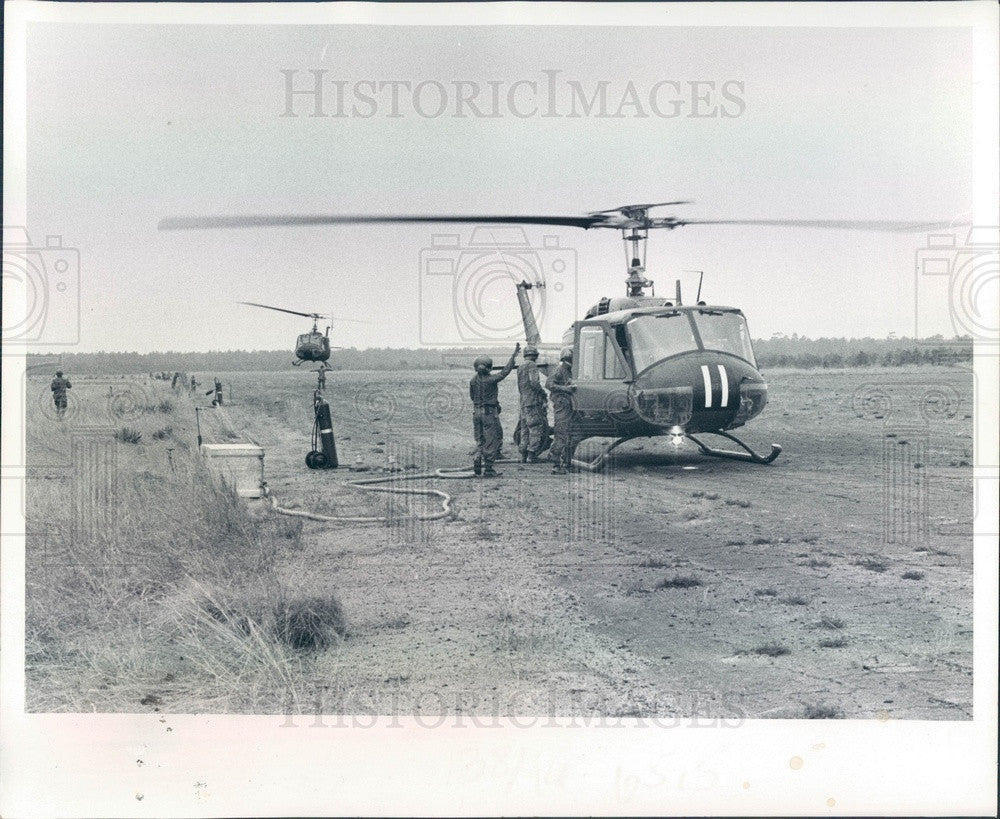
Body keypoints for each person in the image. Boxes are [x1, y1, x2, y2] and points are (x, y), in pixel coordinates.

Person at [469, 344, 520, 477]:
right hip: (488, 413)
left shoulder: (473, 381)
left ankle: (478, 456)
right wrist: (513, 356)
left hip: (476, 412)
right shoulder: (491, 379)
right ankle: (489, 469)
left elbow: (472, 397)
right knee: (491, 440)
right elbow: (505, 372)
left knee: (480, 439)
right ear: (489, 367)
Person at [545, 347, 576, 474]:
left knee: (570, 435)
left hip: (568, 405)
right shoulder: (559, 370)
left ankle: (566, 463)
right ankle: (556, 465)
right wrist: (566, 389)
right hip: (562, 405)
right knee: (561, 434)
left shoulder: (568, 370)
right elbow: (549, 384)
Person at [516, 345, 548, 463]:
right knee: (535, 427)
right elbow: (534, 382)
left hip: (523, 401)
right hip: (532, 402)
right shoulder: (532, 365)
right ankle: (532, 454)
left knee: (524, 428)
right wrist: (542, 393)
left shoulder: (520, 367)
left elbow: (520, 386)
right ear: (535, 355)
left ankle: (523, 455)